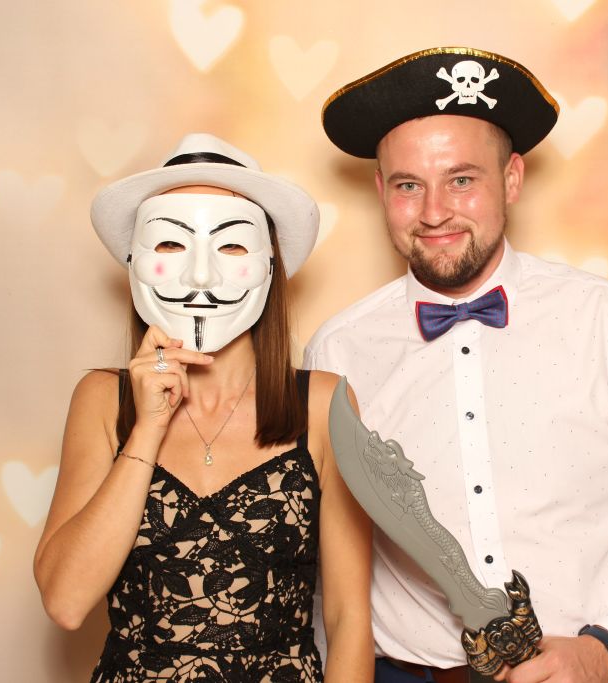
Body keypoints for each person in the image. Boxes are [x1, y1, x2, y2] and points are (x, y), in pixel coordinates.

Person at [305, 48, 608, 683]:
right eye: (408, 185)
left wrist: (605, 649)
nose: (434, 211)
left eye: (462, 180)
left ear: (512, 179)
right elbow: (326, 571)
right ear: (380, 190)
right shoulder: (337, 351)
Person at [34, 134, 373, 682]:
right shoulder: (101, 400)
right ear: (135, 262)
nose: (199, 276)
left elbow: (349, 615)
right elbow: (65, 602)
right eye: (170, 244)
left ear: (269, 265)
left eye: (232, 246)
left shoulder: (324, 404)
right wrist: (147, 429)